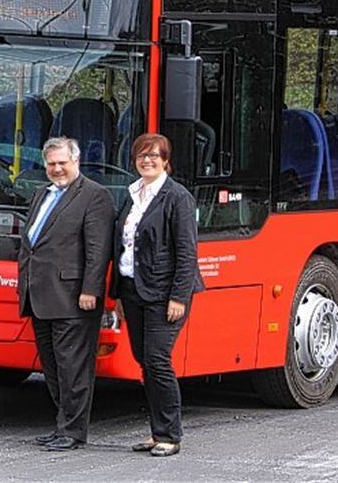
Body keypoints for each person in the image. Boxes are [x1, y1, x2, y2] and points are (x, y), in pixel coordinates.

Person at [110, 133, 204, 457]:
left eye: (154, 156)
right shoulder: (131, 195)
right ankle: (156, 431)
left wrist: (179, 296)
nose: (147, 161)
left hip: (165, 294)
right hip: (132, 290)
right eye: (141, 156)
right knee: (144, 361)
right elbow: (120, 247)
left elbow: (187, 252)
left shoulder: (178, 197)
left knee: (157, 360)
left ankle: (170, 435)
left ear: (166, 161)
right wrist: (118, 295)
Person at [18, 136, 114, 451]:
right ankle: (62, 425)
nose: (57, 169)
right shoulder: (41, 194)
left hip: (73, 297)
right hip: (39, 296)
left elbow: (98, 250)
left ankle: (73, 431)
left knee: (73, 368)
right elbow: (30, 244)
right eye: (51, 164)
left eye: (63, 163)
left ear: (76, 161)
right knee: (53, 366)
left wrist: (91, 290)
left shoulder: (94, 196)